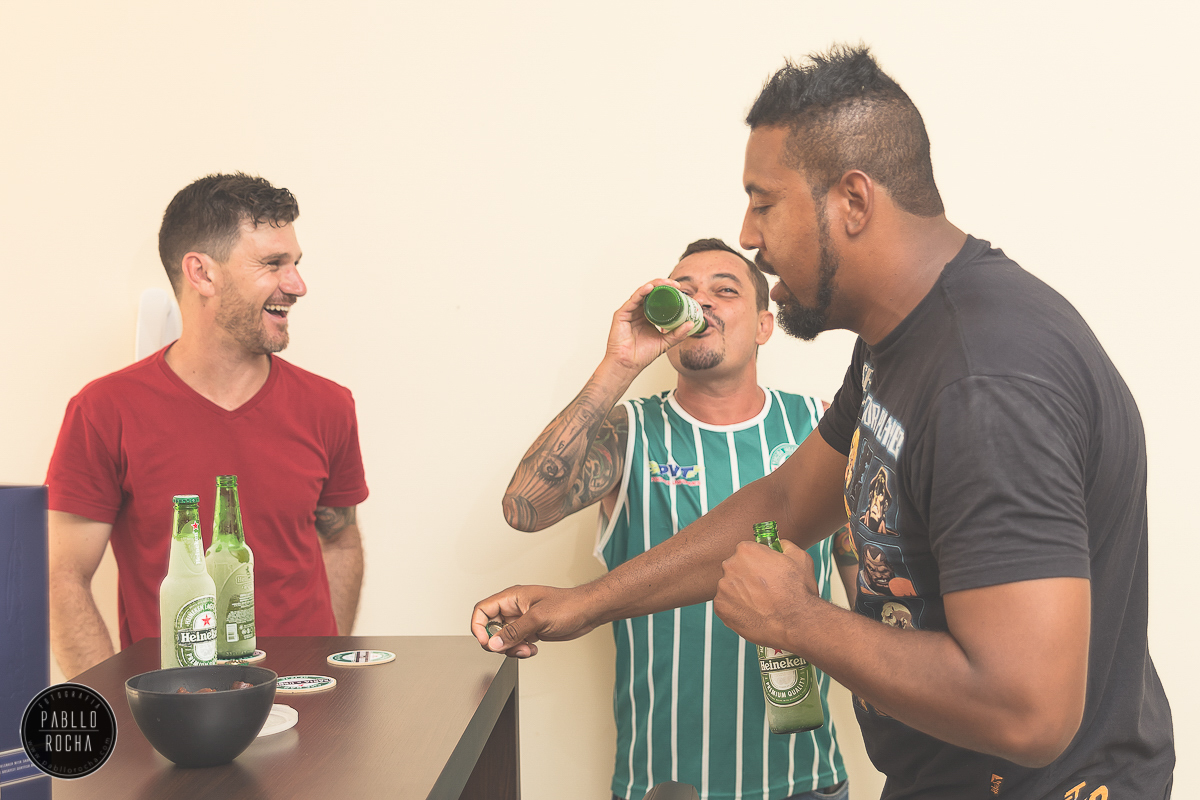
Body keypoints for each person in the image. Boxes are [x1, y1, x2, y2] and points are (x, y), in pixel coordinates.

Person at [474, 46, 1174, 799]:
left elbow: (1029, 714)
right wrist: (584, 605)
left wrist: (799, 620)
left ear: (852, 200)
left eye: (763, 200)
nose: (747, 233)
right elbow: (784, 505)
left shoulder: (985, 383)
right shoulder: (897, 342)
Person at [502, 237, 856, 800]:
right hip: (664, 784)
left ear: (764, 325)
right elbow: (525, 507)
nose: (701, 302)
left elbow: (866, 588)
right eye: (683, 292)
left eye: (725, 290)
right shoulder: (629, 432)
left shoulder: (821, 430)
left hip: (805, 780)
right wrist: (619, 363)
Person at [47, 173, 369, 679]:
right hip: (174, 718)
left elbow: (340, 541)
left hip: (308, 711)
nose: (297, 285)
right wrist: (110, 712)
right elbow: (62, 578)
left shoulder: (329, 406)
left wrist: (328, 673)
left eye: (296, 264)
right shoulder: (104, 411)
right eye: (272, 263)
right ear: (201, 273)